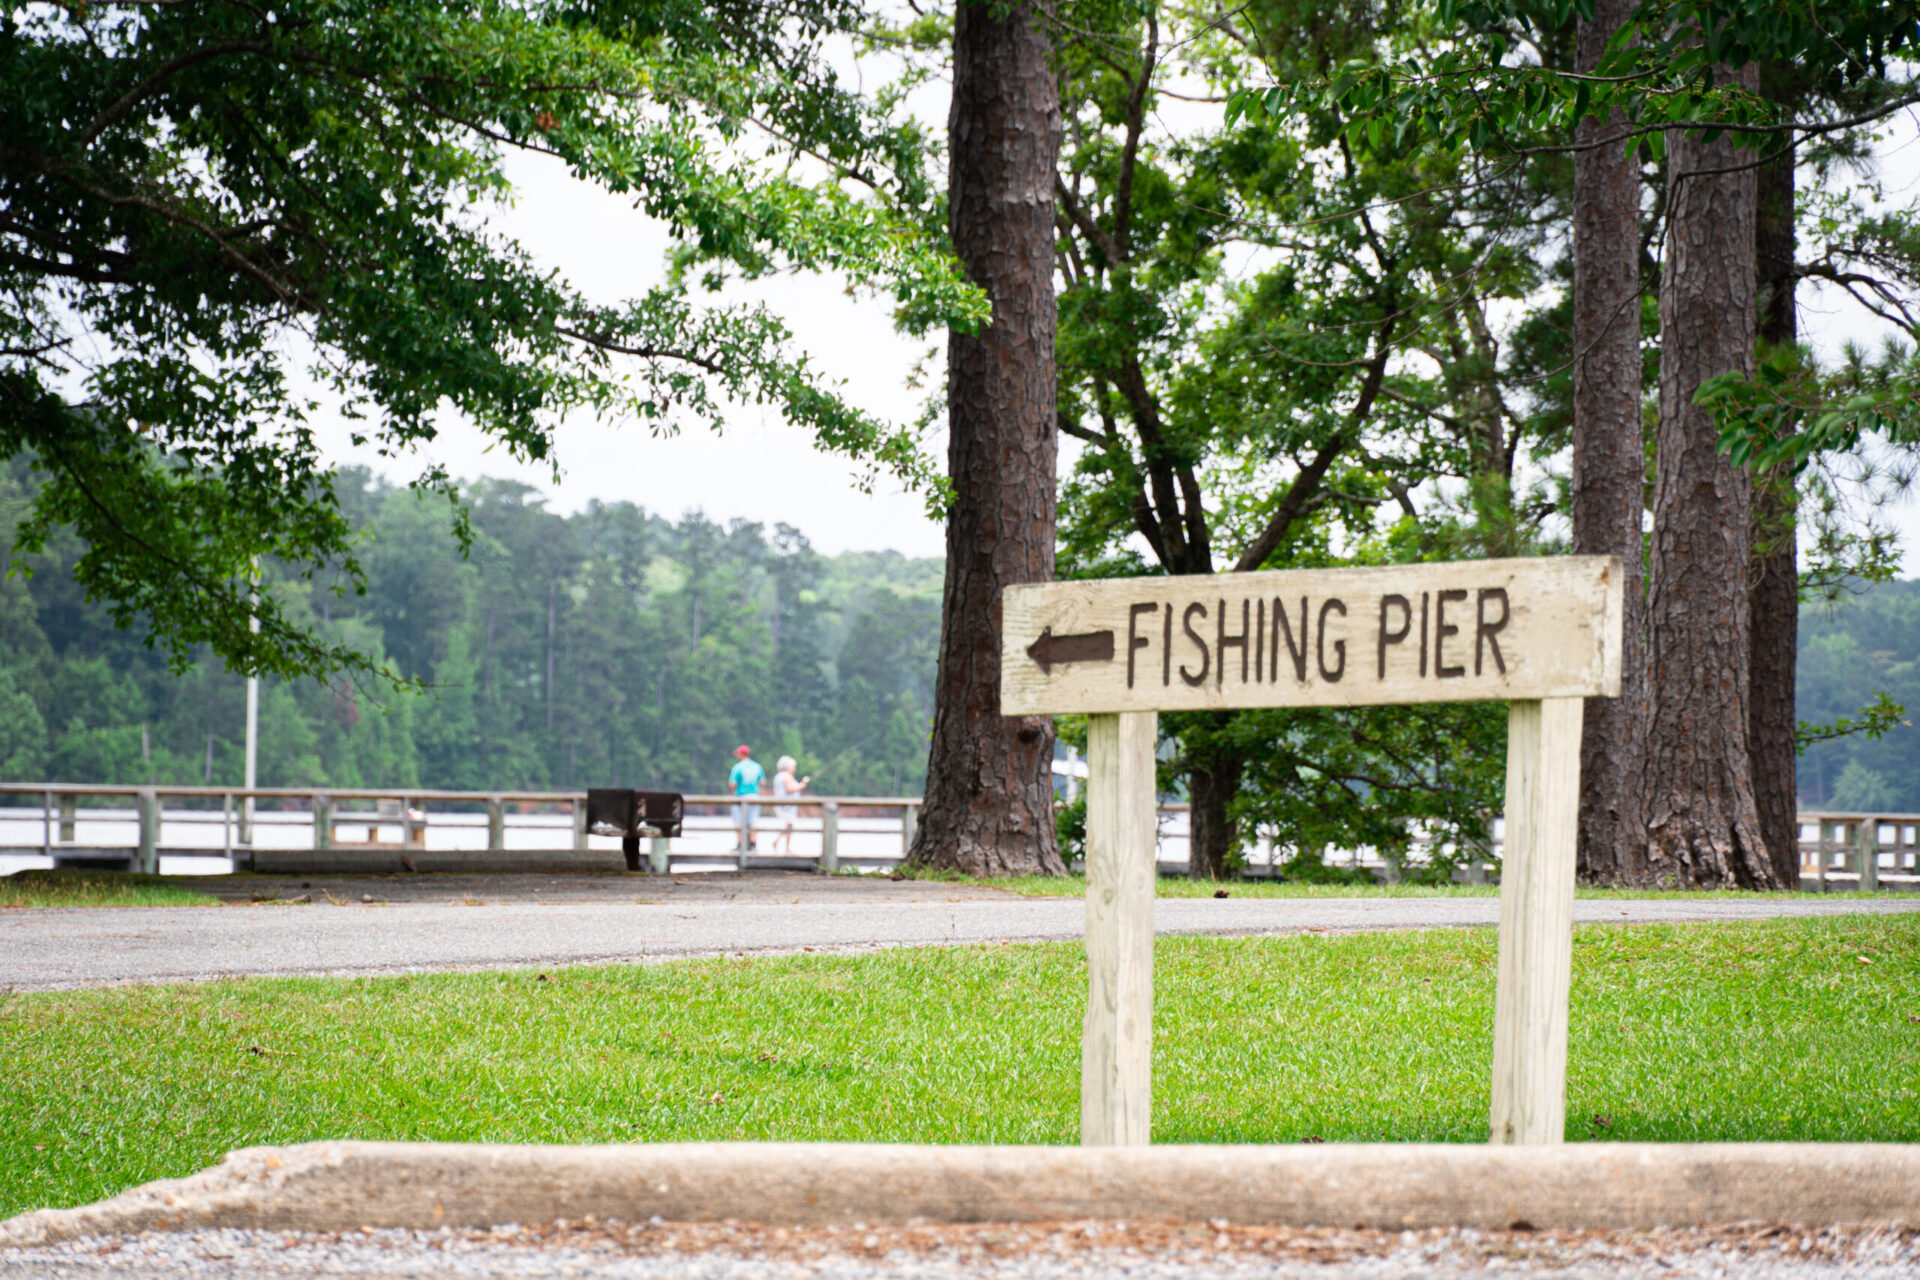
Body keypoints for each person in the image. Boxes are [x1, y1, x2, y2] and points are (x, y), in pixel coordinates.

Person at [728, 745, 765, 853]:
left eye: (737, 754)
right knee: (753, 821)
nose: (736, 756)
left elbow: (733, 784)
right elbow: (762, 782)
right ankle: (753, 845)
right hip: (754, 797)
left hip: (741, 796)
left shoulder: (738, 767)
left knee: (738, 821)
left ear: (741, 754)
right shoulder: (757, 766)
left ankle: (739, 845)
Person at [771, 755, 811, 855]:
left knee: (789, 825)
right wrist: (802, 785)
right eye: (793, 766)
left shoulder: (779, 776)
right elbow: (790, 789)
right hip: (786, 806)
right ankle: (784, 847)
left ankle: (780, 844)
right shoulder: (786, 776)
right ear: (788, 767)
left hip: (784, 805)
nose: (794, 768)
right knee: (789, 825)